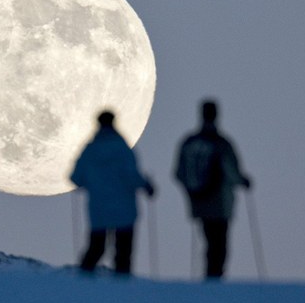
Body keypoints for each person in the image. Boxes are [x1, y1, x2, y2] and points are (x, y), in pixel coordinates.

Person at [174, 100, 251, 279]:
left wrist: (192, 190)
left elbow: (178, 173)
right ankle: (215, 277)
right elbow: (231, 171)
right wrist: (243, 181)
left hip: (199, 203)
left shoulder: (189, 143)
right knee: (220, 243)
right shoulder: (221, 143)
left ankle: (210, 275)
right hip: (221, 203)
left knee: (209, 240)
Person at [71, 110, 154, 275]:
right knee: (123, 252)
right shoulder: (122, 148)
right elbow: (132, 176)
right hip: (124, 208)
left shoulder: (90, 150)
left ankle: (82, 281)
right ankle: (122, 288)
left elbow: (76, 178)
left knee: (96, 247)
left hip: (98, 208)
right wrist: (147, 186)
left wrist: (92, 183)